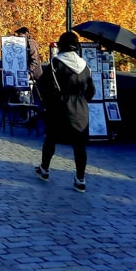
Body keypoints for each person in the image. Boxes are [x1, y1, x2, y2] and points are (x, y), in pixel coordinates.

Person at [35, 31, 94, 192]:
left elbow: (45, 87)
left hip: (59, 108)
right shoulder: (85, 66)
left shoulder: (55, 64)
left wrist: (48, 104)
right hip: (80, 110)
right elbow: (91, 92)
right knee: (79, 146)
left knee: (51, 140)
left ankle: (44, 169)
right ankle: (80, 179)